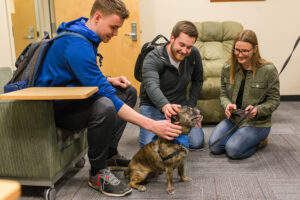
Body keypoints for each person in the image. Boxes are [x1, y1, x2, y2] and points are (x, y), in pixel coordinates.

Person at [35, 0, 182, 197]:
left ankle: (110, 155)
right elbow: (105, 95)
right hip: (56, 109)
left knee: (128, 92)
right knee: (105, 105)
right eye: (113, 27)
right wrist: (152, 125)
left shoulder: (83, 34)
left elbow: (75, 75)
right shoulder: (77, 44)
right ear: (97, 17)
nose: (115, 33)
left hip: (71, 99)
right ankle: (97, 172)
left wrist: (108, 79)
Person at [208, 29, 280, 159]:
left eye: (245, 51)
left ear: (255, 49)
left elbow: (274, 100)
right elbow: (223, 94)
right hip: (234, 119)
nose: (240, 55)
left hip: (256, 123)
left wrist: (258, 110)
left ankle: (260, 142)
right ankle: (239, 136)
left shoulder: (268, 70)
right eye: (237, 50)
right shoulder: (227, 67)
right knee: (214, 146)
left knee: (233, 150)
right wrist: (227, 105)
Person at [139, 21, 204, 149]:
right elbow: (151, 85)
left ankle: (166, 132)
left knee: (196, 142)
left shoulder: (194, 54)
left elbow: (198, 80)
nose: (184, 51)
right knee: (150, 147)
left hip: (179, 106)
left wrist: (191, 108)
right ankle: (149, 127)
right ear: (172, 38)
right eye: (181, 45)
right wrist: (164, 105)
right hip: (153, 106)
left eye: (189, 47)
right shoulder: (153, 57)